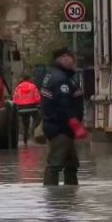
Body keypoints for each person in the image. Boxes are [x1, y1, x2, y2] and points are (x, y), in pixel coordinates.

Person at [41, 47, 84, 186]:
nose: (73, 61)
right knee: (55, 164)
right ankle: (53, 199)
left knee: (71, 165)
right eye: (71, 57)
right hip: (61, 129)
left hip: (62, 128)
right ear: (63, 58)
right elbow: (63, 105)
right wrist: (75, 124)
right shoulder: (61, 79)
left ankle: (69, 197)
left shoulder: (55, 75)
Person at [13, 74, 41, 145]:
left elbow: (15, 99)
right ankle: (34, 132)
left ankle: (25, 137)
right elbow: (37, 98)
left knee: (25, 123)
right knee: (37, 118)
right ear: (29, 79)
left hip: (21, 107)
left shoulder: (18, 87)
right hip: (32, 106)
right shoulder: (33, 86)